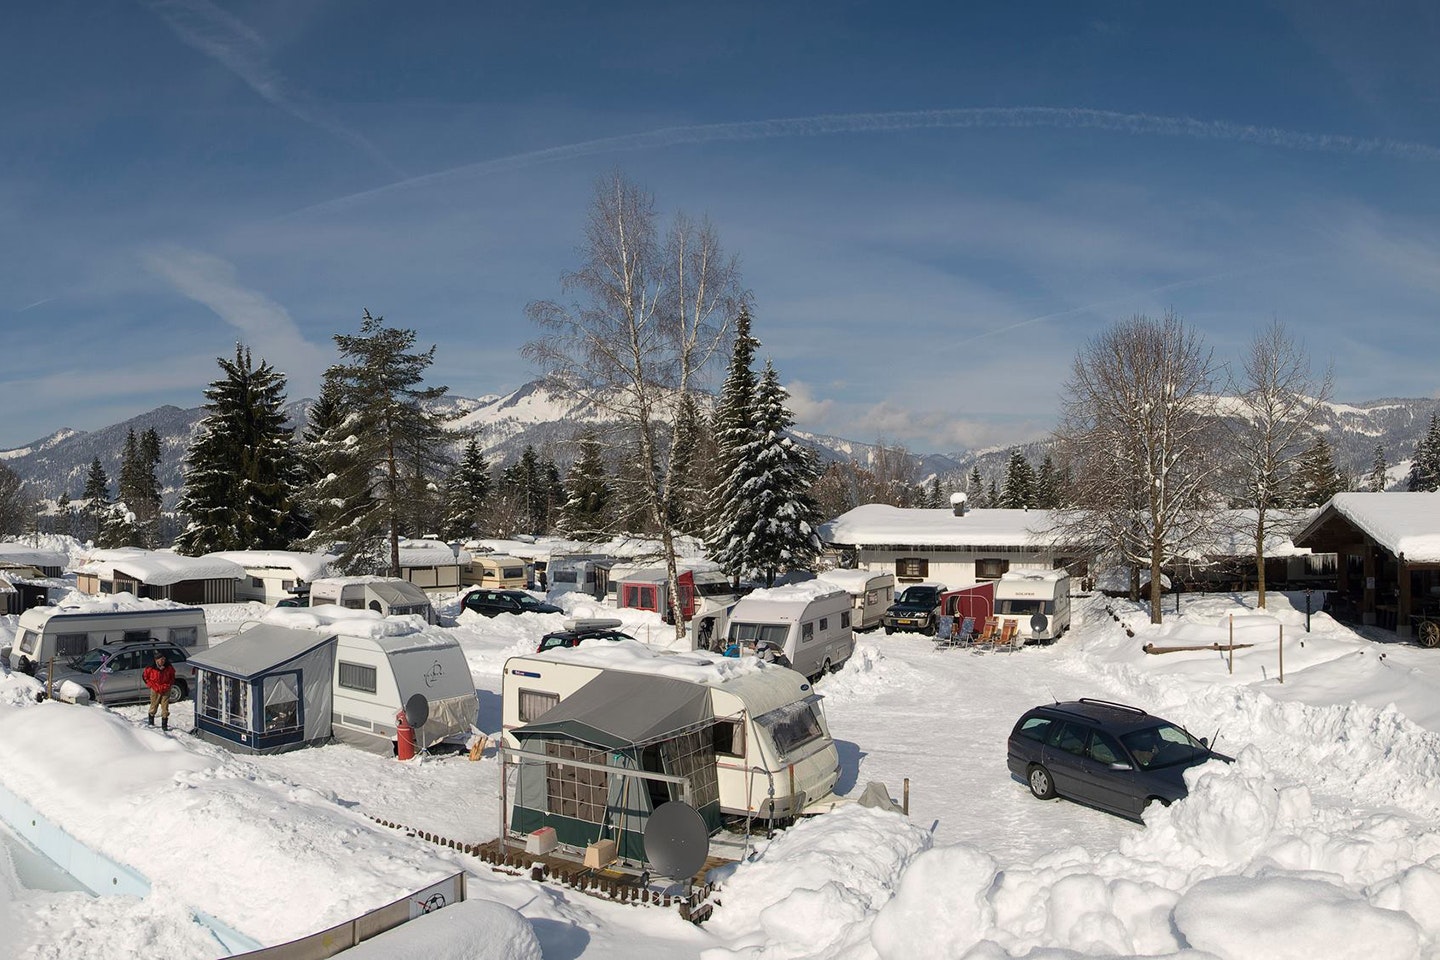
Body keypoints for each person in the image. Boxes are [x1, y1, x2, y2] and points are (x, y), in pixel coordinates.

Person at [144, 651, 175, 731]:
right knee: (154, 705)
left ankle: (164, 725)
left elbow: (172, 676)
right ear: (156, 660)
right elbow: (145, 677)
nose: (163, 661)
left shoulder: (169, 667)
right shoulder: (150, 668)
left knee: (165, 707)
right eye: (161, 660)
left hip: (165, 688)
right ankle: (151, 721)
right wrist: (152, 685)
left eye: (164, 660)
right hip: (155, 689)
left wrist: (168, 685)